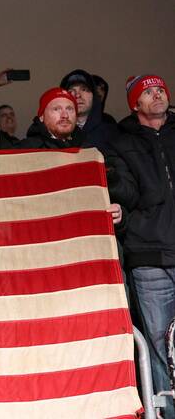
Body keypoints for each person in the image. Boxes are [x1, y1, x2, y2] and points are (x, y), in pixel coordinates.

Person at [106, 74, 175, 415]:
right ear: (135, 104)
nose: (157, 95)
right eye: (148, 92)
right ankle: (166, 411)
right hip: (149, 257)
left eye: (160, 89)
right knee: (161, 344)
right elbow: (125, 195)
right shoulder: (120, 142)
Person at [59, 69, 119, 151]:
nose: (77, 95)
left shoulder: (112, 133)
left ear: (94, 96)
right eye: (71, 91)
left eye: (84, 89)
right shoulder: (54, 131)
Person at [17, 88, 88, 149]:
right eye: (56, 109)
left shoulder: (89, 149)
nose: (65, 115)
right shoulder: (26, 149)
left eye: (69, 109)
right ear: (42, 117)